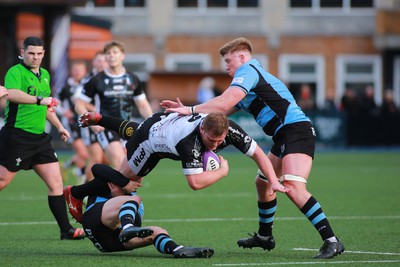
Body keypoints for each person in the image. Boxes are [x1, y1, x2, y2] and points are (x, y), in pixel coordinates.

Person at [160, 37, 344, 259]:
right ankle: (265, 236)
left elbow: (223, 103)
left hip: (296, 130)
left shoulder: (248, 71)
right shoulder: (247, 82)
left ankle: (331, 241)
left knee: (293, 187)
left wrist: (189, 109)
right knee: (263, 182)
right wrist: (185, 113)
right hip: (283, 134)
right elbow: (219, 110)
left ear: (242, 57)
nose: (226, 66)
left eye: (228, 61)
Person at [64, 111, 289, 224]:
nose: (217, 145)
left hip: (159, 122)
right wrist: (222, 171)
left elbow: (258, 153)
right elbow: (195, 183)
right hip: (150, 143)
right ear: (202, 130)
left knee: (134, 131)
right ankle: (75, 193)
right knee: (124, 183)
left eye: (221, 142)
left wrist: (274, 180)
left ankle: (103, 118)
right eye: (212, 141)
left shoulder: (228, 129)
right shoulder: (188, 142)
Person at [0, 36, 85, 240]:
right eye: (31, 53)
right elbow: (10, 94)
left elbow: (47, 107)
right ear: (23, 53)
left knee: (56, 183)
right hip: (17, 136)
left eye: (39, 53)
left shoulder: (45, 75)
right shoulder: (16, 71)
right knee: (2, 180)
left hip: (39, 139)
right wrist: (39, 100)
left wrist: (60, 126)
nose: (35, 57)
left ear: (43, 54)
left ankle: (66, 230)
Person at [80, 163, 214, 258]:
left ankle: (177, 249)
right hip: (94, 223)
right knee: (133, 201)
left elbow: (137, 225)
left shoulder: (134, 200)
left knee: (158, 231)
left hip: (110, 243)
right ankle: (127, 227)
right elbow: (96, 168)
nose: (140, 180)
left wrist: (120, 198)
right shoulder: (110, 182)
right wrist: (123, 184)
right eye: (136, 177)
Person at [75, 41, 153, 171]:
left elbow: (142, 104)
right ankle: (127, 192)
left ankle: (94, 189)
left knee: (130, 168)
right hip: (105, 127)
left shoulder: (132, 78)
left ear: (122, 56)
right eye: (108, 53)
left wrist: (152, 123)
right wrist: (92, 123)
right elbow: (79, 104)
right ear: (105, 57)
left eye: (115, 52)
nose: (111, 56)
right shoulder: (96, 80)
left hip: (127, 127)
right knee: (119, 162)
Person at [76, 51, 109, 181]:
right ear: (94, 63)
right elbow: (76, 100)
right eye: (99, 61)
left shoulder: (108, 78)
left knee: (106, 159)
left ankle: (89, 184)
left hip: (105, 122)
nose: (102, 64)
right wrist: (95, 110)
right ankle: (86, 190)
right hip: (91, 122)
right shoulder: (88, 79)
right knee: (96, 159)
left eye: (104, 61)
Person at [57, 60, 89, 183]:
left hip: (84, 123)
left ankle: (65, 166)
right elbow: (54, 102)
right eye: (75, 70)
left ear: (85, 71)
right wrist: (64, 111)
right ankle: (82, 180)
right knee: (84, 154)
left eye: (80, 70)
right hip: (71, 124)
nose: (78, 73)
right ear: (72, 71)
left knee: (85, 154)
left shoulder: (86, 86)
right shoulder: (66, 87)